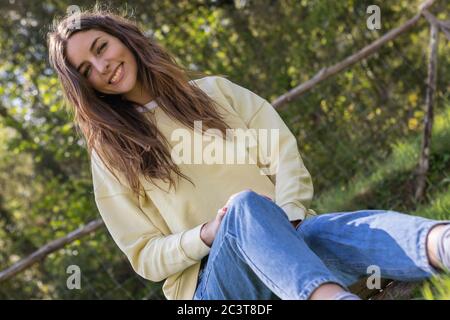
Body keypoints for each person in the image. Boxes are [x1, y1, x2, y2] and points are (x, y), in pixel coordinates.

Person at [47, 8, 450, 300]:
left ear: (123, 39)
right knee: (244, 209)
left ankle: (441, 242)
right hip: (214, 293)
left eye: (102, 47)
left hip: (290, 247)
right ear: (87, 88)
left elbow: (283, 155)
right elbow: (145, 256)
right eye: (86, 69)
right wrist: (208, 233)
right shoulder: (110, 155)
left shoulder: (215, 92)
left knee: (329, 230)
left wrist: (290, 215)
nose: (102, 65)